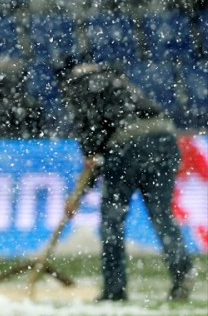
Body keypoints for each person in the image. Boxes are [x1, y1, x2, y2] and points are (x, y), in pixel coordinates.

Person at [57, 61, 193, 302]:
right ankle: (182, 272)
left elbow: (92, 147)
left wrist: (79, 195)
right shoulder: (118, 81)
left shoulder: (80, 87)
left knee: (112, 221)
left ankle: (114, 289)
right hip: (165, 139)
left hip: (127, 146)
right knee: (162, 216)